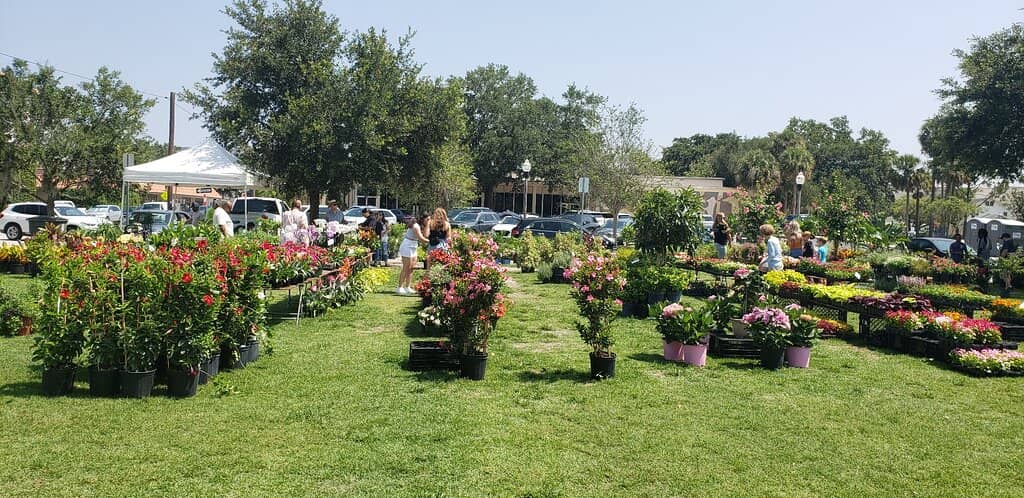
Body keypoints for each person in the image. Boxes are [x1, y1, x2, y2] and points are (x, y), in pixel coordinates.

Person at [397, 213, 430, 295]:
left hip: (414, 245)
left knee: (411, 268)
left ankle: (407, 287)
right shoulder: (416, 226)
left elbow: (426, 235)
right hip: (407, 245)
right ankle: (400, 287)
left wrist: (427, 225)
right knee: (406, 267)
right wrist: (432, 242)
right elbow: (421, 238)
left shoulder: (422, 226)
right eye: (427, 219)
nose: (429, 221)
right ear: (423, 219)